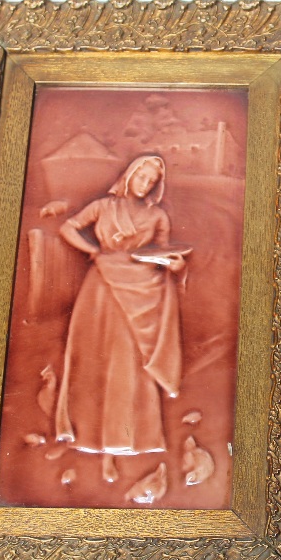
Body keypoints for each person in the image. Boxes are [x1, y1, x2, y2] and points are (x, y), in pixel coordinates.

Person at [53, 155, 186, 484]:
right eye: (143, 175)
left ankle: (129, 441)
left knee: (130, 363)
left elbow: (164, 252)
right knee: (95, 357)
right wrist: (94, 251)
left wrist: (175, 266)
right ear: (131, 174)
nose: (147, 183)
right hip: (102, 287)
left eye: (153, 180)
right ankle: (93, 443)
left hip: (141, 290)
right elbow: (67, 227)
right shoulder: (102, 207)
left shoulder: (157, 215)